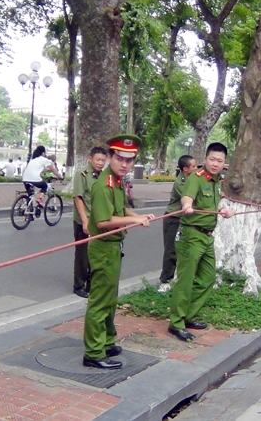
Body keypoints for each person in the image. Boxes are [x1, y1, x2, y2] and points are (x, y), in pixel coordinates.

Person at [83, 134, 155, 370]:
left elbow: (121, 208)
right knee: (100, 301)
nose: (125, 164)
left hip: (113, 247)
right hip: (103, 247)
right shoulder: (104, 186)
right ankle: (94, 352)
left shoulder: (117, 182)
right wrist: (133, 222)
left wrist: (139, 216)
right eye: (120, 159)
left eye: (129, 160)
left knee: (110, 299)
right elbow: (104, 221)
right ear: (110, 157)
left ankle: (106, 341)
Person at [168, 143, 234, 342]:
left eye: (219, 161)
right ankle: (176, 323)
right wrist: (187, 205)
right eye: (212, 159)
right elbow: (187, 197)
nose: (215, 164)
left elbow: (214, 204)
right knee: (185, 281)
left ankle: (187, 315)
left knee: (207, 278)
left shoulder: (215, 182)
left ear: (224, 164)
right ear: (205, 159)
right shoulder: (195, 178)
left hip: (207, 236)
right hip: (191, 236)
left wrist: (224, 210)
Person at [72, 146, 107, 298]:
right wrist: (85, 220)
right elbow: (77, 198)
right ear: (90, 158)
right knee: (83, 254)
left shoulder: (103, 176)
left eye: (103, 161)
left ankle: (92, 284)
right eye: (98, 159)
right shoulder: (82, 174)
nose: (100, 163)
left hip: (98, 220)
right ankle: (79, 285)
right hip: (83, 220)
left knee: (96, 253)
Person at [159, 155, 197, 294]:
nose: (196, 168)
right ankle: (165, 281)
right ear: (185, 169)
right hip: (173, 219)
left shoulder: (192, 179)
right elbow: (191, 197)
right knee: (171, 250)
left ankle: (179, 279)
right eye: (193, 166)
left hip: (184, 220)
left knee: (184, 250)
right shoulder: (181, 183)